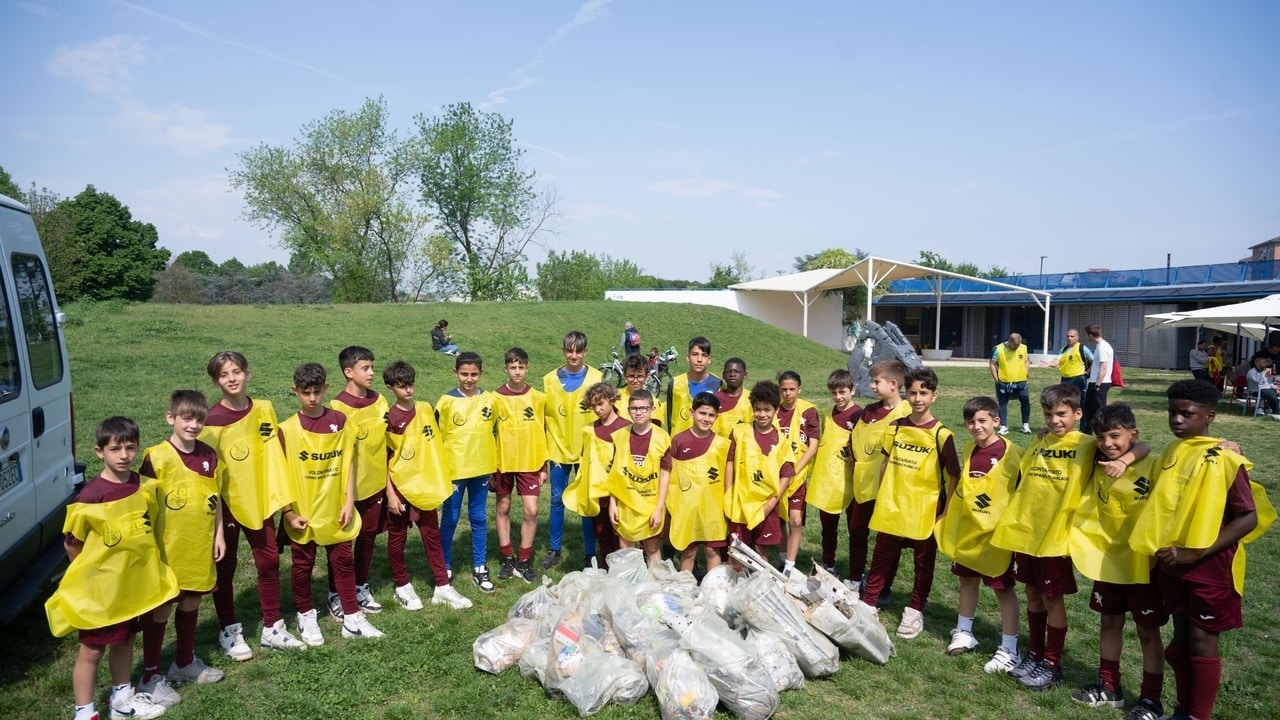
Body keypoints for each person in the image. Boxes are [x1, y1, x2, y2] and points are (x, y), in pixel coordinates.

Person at [1130, 380, 1273, 720]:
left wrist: (1195, 553)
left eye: (1186, 414)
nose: (1177, 420)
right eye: (1172, 413)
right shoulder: (1171, 452)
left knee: (1201, 642)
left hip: (1209, 570)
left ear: (1209, 416)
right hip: (1172, 566)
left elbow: (1247, 518)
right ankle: (1183, 709)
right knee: (1180, 644)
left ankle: (1199, 715)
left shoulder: (1224, 458)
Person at [992, 384, 1146, 691]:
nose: (1054, 421)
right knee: (1032, 594)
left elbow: (1142, 447)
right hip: (1027, 533)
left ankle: (1052, 663)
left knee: (1052, 598)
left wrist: (1125, 461)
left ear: (1078, 413)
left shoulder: (1089, 444)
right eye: (1048, 414)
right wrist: (1041, 433)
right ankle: (1035, 654)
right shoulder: (1040, 441)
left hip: (1057, 537)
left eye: (1061, 414)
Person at [46, 417, 177, 720]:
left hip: (131, 587)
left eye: (130, 448)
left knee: (127, 639)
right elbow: (72, 543)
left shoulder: (143, 487)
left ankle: (122, 699)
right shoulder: (91, 496)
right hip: (101, 591)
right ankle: (85, 712)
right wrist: (90, 575)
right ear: (99, 451)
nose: (123, 455)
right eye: (115, 449)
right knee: (92, 650)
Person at [1066, 404, 1167, 720]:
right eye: (1102, 437)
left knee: (1148, 632)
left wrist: (1128, 458)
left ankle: (1151, 700)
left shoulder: (1153, 466)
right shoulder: (1097, 465)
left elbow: (1147, 448)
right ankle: (1109, 688)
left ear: (1132, 435)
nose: (1108, 443)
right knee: (1109, 622)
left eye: (1115, 436)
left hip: (1144, 565)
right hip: (1107, 561)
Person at [202, 351, 303, 659]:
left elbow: (273, 455)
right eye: (224, 375)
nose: (231, 378)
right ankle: (229, 629)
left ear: (248, 374)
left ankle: (273, 626)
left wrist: (284, 505)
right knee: (226, 565)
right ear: (216, 381)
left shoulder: (264, 409)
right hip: (228, 505)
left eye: (236, 372)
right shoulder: (210, 421)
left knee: (269, 562)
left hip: (261, 500)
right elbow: (208, 474)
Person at [279, 363, 383, 644]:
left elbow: (347, 463)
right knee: (303, 565)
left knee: (343, 561)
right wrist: (288, 513)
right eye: (305, 393)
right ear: (295, 391)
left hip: (336, 508)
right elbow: (279, 475)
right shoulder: (286, 430)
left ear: (325, 388)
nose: (312, 398)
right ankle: (306, 616)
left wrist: (349, 502)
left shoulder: (339, 421)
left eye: (316, 391)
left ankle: (352, 617)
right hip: (304, 511)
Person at [137, 390, 226, 705]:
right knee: (162, 606)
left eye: (199, 419)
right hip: (166, 547)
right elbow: (142, 508)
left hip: (198, 545)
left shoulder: (210, 455)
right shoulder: (156, 457)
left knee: (191, 600)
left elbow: (216, 499)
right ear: (170, 418)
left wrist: (219, 534)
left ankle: (184, 663)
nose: (193, 425)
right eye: (186, 418)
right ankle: (149, 675)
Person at [860, 367, 961, 640]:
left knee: (922, 562)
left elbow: (954, 476)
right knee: (881, 556)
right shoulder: (895, 427)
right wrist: (883, 494)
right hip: (892, 505)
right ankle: (868, 604)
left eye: (923, 393)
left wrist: (946, 511)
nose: (917, 398)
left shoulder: (942, 435)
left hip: (925, 509)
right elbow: (885, 463)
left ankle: (915, 609)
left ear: (934, 396)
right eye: (912, 392)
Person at [934, 396, 1023, 672]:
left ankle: (1010, 647)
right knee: (967, 580)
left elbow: (1020, 494)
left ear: (996, 421)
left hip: (996, 535)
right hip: (971, 529)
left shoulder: (1012, 453)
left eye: (983, 420)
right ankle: (964, 632)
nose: (976, 426)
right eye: (971, 422)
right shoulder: (969, 448)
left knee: (1002, 589)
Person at [381, 360, 473, 611]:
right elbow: (386, 458)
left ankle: (442, 586)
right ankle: (402, 585)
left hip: (425, 486)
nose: (408, 390)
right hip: (400, 487)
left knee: (432, 535)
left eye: (410, 385)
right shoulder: (391, 417)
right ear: (391, 388)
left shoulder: (425, 408)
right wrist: (390, 494)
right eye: (402, 387)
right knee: (397, 537)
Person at [328, 346, 389, 620]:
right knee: (343, 543)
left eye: (372, 367)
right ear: (348, 372)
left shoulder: (380, 401)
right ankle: (335, 593)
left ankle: (360, 586)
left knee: (367, 539)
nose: (372, 373)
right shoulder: (337, 407)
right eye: (366, 368)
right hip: (346, 490)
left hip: (375, 485)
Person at [847, 360, 911, 596]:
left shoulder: (906, 414)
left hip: (889, 487)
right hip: (863, 484)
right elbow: (856, 440)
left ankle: (884, 585)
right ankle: (854, 577)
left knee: (888, 539)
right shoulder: (869, 411)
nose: (872, 385)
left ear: (893, 384)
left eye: (877, 381)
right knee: (857, 531)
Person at [436, 351, 499, 592]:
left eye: (474, 374)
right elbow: (438, 437)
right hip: (454, 470)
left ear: (481, 374)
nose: (469, 379)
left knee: (479, 517)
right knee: (450, 518)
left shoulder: (491, 400)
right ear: (455, 373)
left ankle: (480, 567)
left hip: (482, 468)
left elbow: (494, 431)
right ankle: (445, 566)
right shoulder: (446, 402)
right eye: (464, 374)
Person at [540, 330, 603, 570]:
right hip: (557, 447)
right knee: (556, 499)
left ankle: (590, 553)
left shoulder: (596, 377)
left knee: (586, 501)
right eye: (569, 350)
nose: (573, 355)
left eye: (578, 350)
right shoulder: (549, 380)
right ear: (563, 351)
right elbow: (543, 417)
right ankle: (554, 550)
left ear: (585, 352)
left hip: (587, 449)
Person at [492, 347, 549, 582]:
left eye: (521, 367)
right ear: (506, 368)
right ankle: (507, 557)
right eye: (512, 367)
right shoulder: (494, 398)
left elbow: (544, 430)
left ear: (527, 368)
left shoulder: (538, 398)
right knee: (503, 508)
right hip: (503, 462)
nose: (517, 372)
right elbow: (488, 432)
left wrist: (544, 466)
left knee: (531, 511)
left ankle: (524, 559)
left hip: (530, 461)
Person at [724, 381, 795, 559]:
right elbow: (730, 462)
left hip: (767, 504)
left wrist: (771, 503)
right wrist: (728, 492)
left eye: (767, 410)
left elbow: (786, 475)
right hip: (740, 502)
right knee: (737, 550)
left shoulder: (781, 440)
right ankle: (738, 582)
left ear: (776, 410)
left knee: (761, 549)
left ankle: (761, 584)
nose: (762, 414)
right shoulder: (740, 432)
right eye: (758, 409)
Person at [563, 382, 628, 569]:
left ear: (612, 400)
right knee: (602, 532)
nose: (597, 409)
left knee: (621, 534)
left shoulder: (626, 428)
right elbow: (585, 460)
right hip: (597, 492)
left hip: (620, 493)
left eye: (601, 404)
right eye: (593, 405)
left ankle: (624, 572)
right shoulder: (589, 430)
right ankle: (605, 569)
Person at [807, 368, 862, 582]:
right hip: (828, 480)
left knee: (855, 530)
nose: (838, 397)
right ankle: (828, 564)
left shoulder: (860, 415)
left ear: (852, 390)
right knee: (828, 527)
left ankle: (856, 572)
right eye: (834, 393)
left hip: (852, 481)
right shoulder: (827, 414)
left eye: (842, 392)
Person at [606, 388, 673, 564]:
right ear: (628, 410)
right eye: (634, 408)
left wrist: (659, 508)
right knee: (626, 548)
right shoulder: (619, 436)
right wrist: (613, 503)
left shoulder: (663, 438)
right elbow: (615, 474)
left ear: (652, 410)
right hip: (625, 503)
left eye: (643, 408)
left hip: (650, 504)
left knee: (652, 548)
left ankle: (653, 587)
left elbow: (665, 476)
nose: (639, 412)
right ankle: (629, 588)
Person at [667, 391, 730, 573]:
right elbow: (672, 476)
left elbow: (726, 476)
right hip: (687, 507)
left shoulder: (722, 444)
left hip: (713, 508)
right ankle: (684, 590)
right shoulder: (678, 441)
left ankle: (712, 590)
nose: (706, 419)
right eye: (702, 413)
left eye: (711, 415)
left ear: (716, 417)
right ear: (691, 412)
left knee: (712, 550)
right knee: (688, 551)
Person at [776, 371, 820, 573]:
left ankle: (790, 566)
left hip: (797, 476)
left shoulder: (809, 411)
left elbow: (813, 445)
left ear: (799, 389)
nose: (788, 393)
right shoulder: (773, 410)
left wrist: (796, 468)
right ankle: (783, 557)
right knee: (779, 519)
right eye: (784, 389)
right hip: (775, 476)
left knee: (795, 520)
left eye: (792, 389)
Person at [667, 336, 722, 435]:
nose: (699, 359)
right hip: (679, 444)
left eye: (704, 355)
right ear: (688, 357)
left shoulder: (718, 384)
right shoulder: (674, 383)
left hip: (707, 445)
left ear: (709, 359)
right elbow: (670, 418)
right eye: (695, 354)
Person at [990, 332, 1032, 435]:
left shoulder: (1024, 348)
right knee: (1003, 403)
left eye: (1018, 345)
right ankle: (1003, 426)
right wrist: (997, 380)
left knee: (1025, 401)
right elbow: (992, 364)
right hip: (1004, 382)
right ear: (1009, 341)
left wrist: (1026, 374)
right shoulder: (998, 349)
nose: (1016, 348)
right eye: (1014, 346)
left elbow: (1026, 361)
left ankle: (1025, 425)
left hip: (1021, 381)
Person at [1038, 328, 1093, 395]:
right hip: (1065, 379)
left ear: (1077, 337)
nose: (1069, 338)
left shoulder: (1082, 348)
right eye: (1068, 336)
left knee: (1078, 400)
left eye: (1072, 336)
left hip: (1078, 378)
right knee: (1065, 399)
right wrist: (1048, 364)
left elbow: (1094, 361)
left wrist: (1087, 372)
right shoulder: (1063, 349)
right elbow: (1058, 361)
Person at [1083, 324, 1115, 434]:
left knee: (1099, 410)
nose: (1086, 337)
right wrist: (1087, 372)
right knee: (1089, 409)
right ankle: (1087, 432)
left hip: (1100, 383)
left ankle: (1103, 432)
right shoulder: (1100, 346)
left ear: (1091, 335)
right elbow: (1096, 364)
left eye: (1086, 335)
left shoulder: (1102, 347)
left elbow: (1104, 367)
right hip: (1094, 382)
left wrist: (1097, 384)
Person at [619, 353, 665, 428]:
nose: (635, 380)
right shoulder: (615, 398)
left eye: (640, 376)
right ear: (624, 375)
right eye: (631, 376)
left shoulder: (653, 402)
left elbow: (656, 430)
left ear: (647, 376)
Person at [712, 357, 751, 437]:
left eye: (737, 371)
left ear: (745, 375)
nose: (732, 374)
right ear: (723, 375)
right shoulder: (715, 399)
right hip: (718, 446)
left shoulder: (752, 398)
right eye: (729, 371)